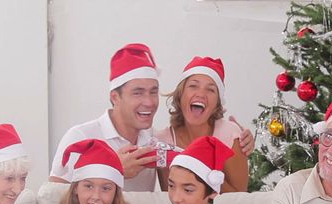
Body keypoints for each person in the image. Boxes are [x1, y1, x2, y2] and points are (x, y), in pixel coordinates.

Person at [50, 44, 254, 191]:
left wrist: (243, 138)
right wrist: (114, 171)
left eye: (153, 91)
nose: (149, 102)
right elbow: (51, 202)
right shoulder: (80, 137)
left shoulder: (153, 141)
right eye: (138, 92)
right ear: (115, 97)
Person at [155, 56, 248, 193]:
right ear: (180, 95)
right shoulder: (164, 142)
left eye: (210, 90)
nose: (201, 94)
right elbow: (171, 198)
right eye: (193, 86)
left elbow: (239, 197)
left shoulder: (229, 135)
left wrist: (200, 169)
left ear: (217, 103)